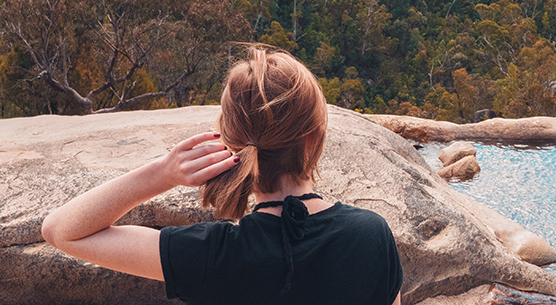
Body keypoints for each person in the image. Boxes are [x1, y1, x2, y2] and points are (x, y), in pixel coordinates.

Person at [41, 46, 403, 305]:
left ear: (231, 144)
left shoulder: (212, 253)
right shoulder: (370, 235)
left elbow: (60, 230)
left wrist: (163, 173)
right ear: (313, 138)